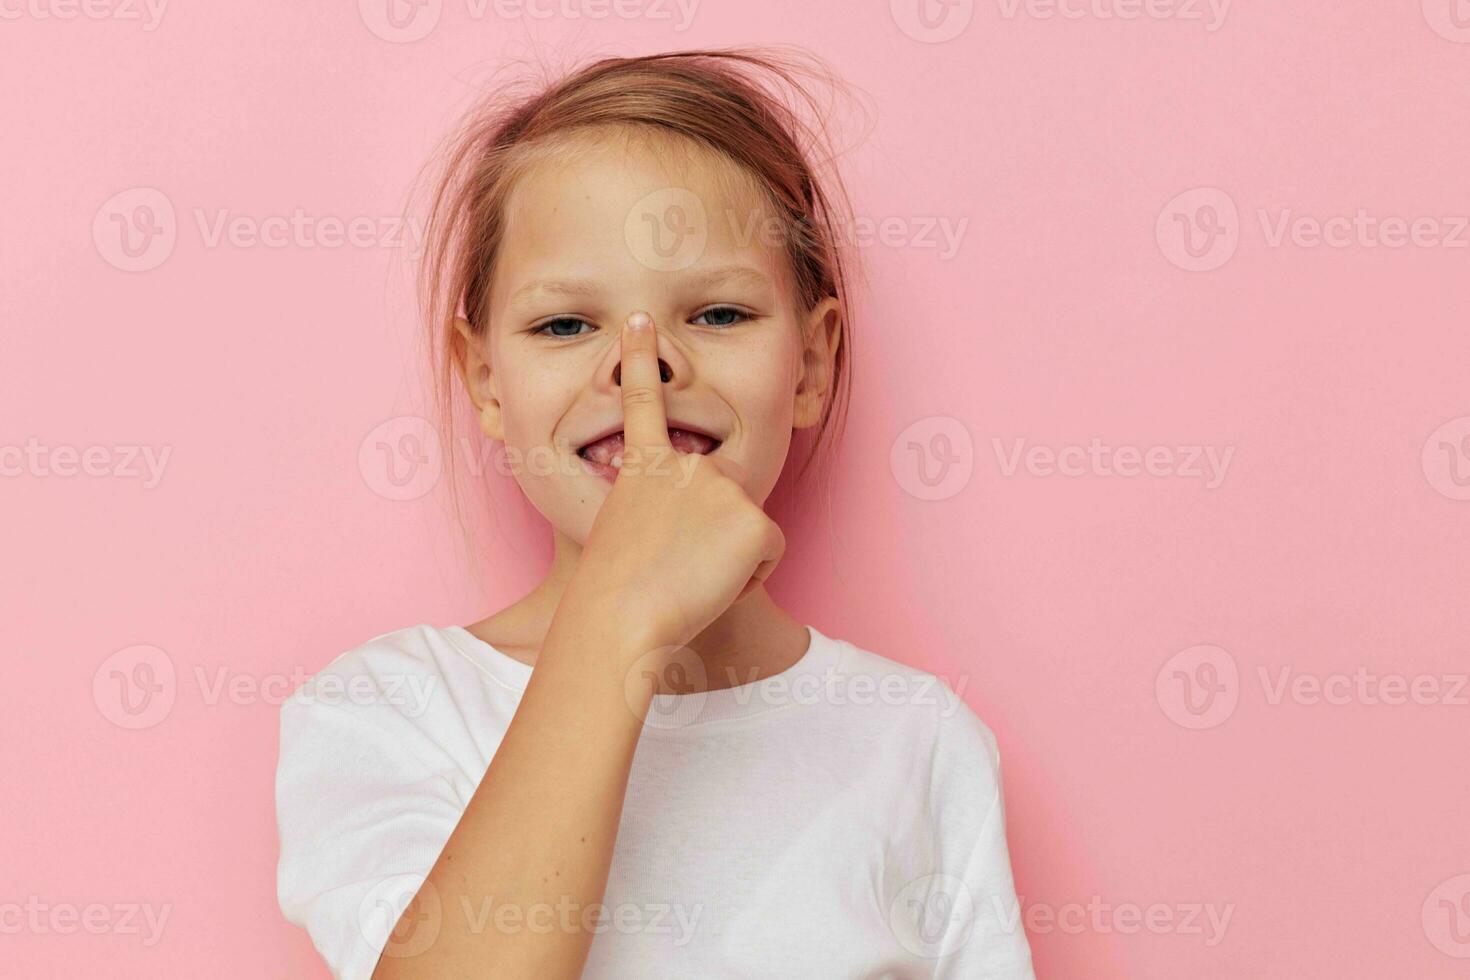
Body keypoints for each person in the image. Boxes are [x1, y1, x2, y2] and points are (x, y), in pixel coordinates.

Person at [275, 47, 1036, 980]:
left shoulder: (917, 742)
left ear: (812, 362)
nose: (645, 366)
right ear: (484, 380)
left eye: (717, 314)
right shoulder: (389, 709)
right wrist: (623, 615)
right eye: (564, 325)